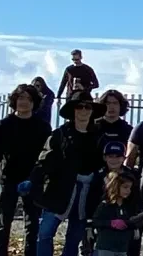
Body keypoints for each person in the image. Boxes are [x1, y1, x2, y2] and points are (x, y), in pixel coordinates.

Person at [32, 89, 105, 256]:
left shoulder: (98, 137)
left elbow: (104, 164)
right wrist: (34, 182)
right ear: (73, 110)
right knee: (44, 234)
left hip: (86, 195)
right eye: (80, 107)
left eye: (88, 107)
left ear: (92, 111)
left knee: (74, 239)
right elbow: (44, 160)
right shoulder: (60, 134)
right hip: (59, 191)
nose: (84, 111)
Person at [0, 83, 53, 256]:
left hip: (32, 180)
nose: (24, 102)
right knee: (3, 222)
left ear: (34, 102)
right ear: (14, 100)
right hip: (8, 179)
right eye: (20, 98)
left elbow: (46, 154)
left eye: (28, 98)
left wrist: (37, 176)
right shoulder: (3, 124)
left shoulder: (42, 127)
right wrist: (3, 171)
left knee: (32, 223)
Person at [94, 171, 143, 256]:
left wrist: (134, 225)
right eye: (125, 187)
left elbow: (129, 223)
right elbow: (96, 221)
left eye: (130, 188)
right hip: (105, 248)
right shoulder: (105, 205)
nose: (128, 191)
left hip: (122, 249)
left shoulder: (128, 207)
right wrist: (111, 223)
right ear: (116, 186)